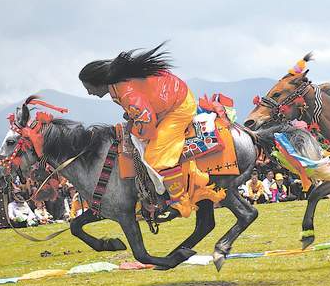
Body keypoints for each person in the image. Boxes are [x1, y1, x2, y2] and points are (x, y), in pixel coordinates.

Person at [78, 44, 222, 219]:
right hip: (167, 103)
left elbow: (147, 125)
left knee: (156, 156)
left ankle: (181, 202)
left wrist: (135, 125)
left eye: (89, 88)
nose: (89, 92)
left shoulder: (126, 93)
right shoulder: (118, 88)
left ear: (99, 83)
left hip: (178, 108)